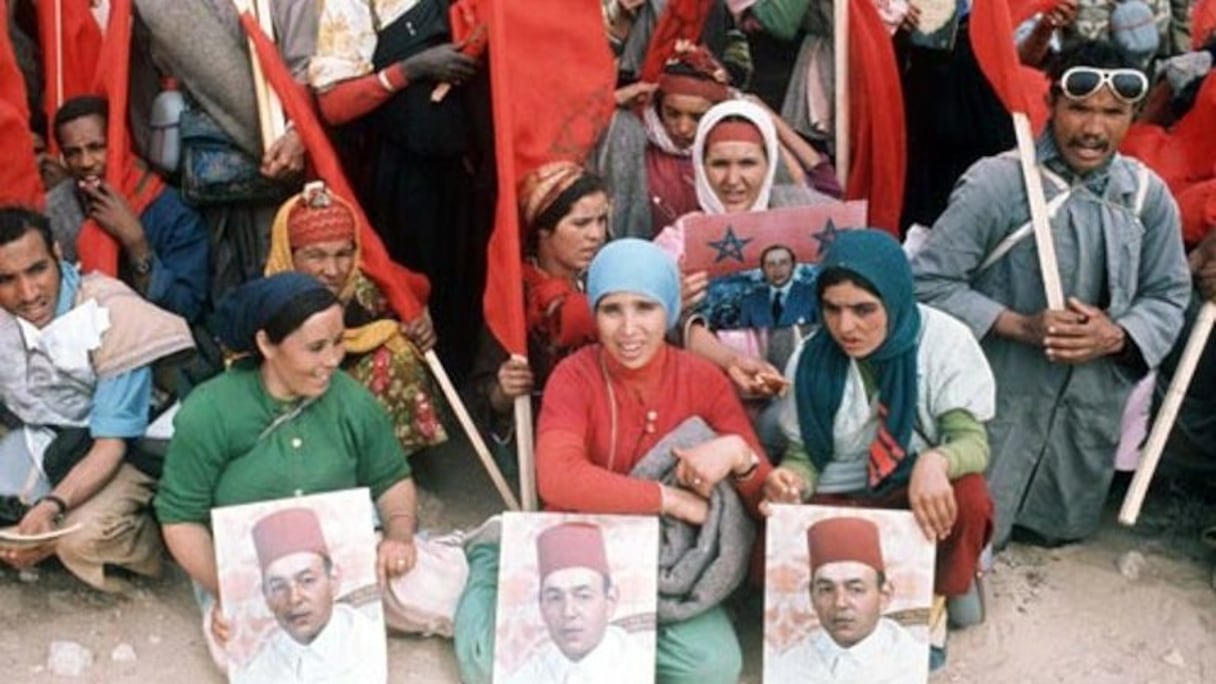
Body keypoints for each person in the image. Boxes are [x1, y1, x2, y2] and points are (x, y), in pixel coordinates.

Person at [910, 41, 1191, 548]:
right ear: (1053, 103)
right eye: (1080, 108)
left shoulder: (1148, 198)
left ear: (1133, 114)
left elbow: (1168, 296)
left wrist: (1116, 335)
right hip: (997, 411)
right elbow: (927, 284)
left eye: (1113, 112)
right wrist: (1019, 325)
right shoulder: (997, 183)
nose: (1093, 128)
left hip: (1081, 431)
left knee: (1059, 534)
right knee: (973, 533)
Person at [455, 239, 772, 684]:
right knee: (487, 662)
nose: (628, 328)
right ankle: (493, 559)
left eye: (645, 308)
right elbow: (558, 479)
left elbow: (763, 496)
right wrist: (670, 500)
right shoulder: (575, 375)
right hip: (574, 548)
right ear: (594, 313)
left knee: (712, 666)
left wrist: (739, 457)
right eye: (611, 310)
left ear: (670, 310)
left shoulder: (703, 378)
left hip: (663, 561)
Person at [154, 272, 419, 670]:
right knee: (250, 655)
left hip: (349, 556)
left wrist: (398, 537)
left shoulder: (351, 400)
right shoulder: (210, 412)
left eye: (338, 342)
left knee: (440, 589)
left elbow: (391, 479)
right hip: (250, 574)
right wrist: (231, 591)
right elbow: (179, 519)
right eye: (316, 347)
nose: (332, 360)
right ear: (266, 344)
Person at [765, 229, 995, 633]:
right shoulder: (811, 359)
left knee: (969, 495)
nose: (845, 326)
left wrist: (936, 461)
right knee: (769, 558)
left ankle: (946, 582)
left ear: (894, 298)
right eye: (832, 309)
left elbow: (972, 442)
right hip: (841, 488)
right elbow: (804, 457)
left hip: (911, 489)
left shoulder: (944, 342)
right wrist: (792, 484)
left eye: (863, 309)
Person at [0, 206, 195, 591]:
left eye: (37, 269)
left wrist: (52, 506)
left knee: (79, 540)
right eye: (7, 279)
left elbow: (111, 447)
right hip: (56, 438)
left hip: (131, 449)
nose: (27, 293)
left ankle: (153, 549)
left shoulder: (107, 315)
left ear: (58, 254)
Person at [655, 98, 832, 394]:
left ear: (769, 164)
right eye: (720, 164)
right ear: (701, 164)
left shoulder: (803, 222)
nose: (732, 179)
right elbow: (643, 312)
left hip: (801, 391)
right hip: (710, 395)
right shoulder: (679, 238)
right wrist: (669, 304)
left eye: (747, 163)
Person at [264, 181, 446, 453]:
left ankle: (385, 465)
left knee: (399, 353)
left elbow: (412, 299)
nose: (333, 270)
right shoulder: (263, 300)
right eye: (315, 256)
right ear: (289, 254)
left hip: (351, 387)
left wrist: (420, 327)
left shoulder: (363, 287)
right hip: (291, 403)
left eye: (343, 254)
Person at [466, 163, 609, 453]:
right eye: (581, 224)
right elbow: (481, 393)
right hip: (550, 438)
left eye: (601, 220)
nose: (596, 235)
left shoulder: (612, 278)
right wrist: (502, 392)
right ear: (544, 230)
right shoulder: (513, 298)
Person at [44, 96, 210, 324]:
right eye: (73, 152)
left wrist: (136, 243)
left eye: (96, 147)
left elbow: (186, 309)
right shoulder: (56, 207)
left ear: (119, 142)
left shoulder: (171, 210)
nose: (85, 162)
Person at [235, 507, 385, 684]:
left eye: (307, 580)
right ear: (266, 596)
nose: (294, 599)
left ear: (333, 581)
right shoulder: (261, 666)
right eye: (278, 587)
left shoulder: (366, 642)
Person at [769, 516, 925, 684]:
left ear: (884, 596)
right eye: (826, 589)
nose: (840, 603)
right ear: (812, 597)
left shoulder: (913, 663)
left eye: (856, 589)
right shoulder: (786, 667)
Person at [501, 522, 650, 684]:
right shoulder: (528, 675)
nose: (568, 612)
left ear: (610, 602)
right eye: (555, 598)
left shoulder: (640, 668)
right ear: (542, 607)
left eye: (583, 596)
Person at [738, 244, 816, 327]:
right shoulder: (750, 301)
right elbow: (745, 337)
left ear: (793, 266)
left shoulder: (812, 296)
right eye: (771, 264)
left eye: (783, 263)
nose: (777, 269)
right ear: (763, 269)